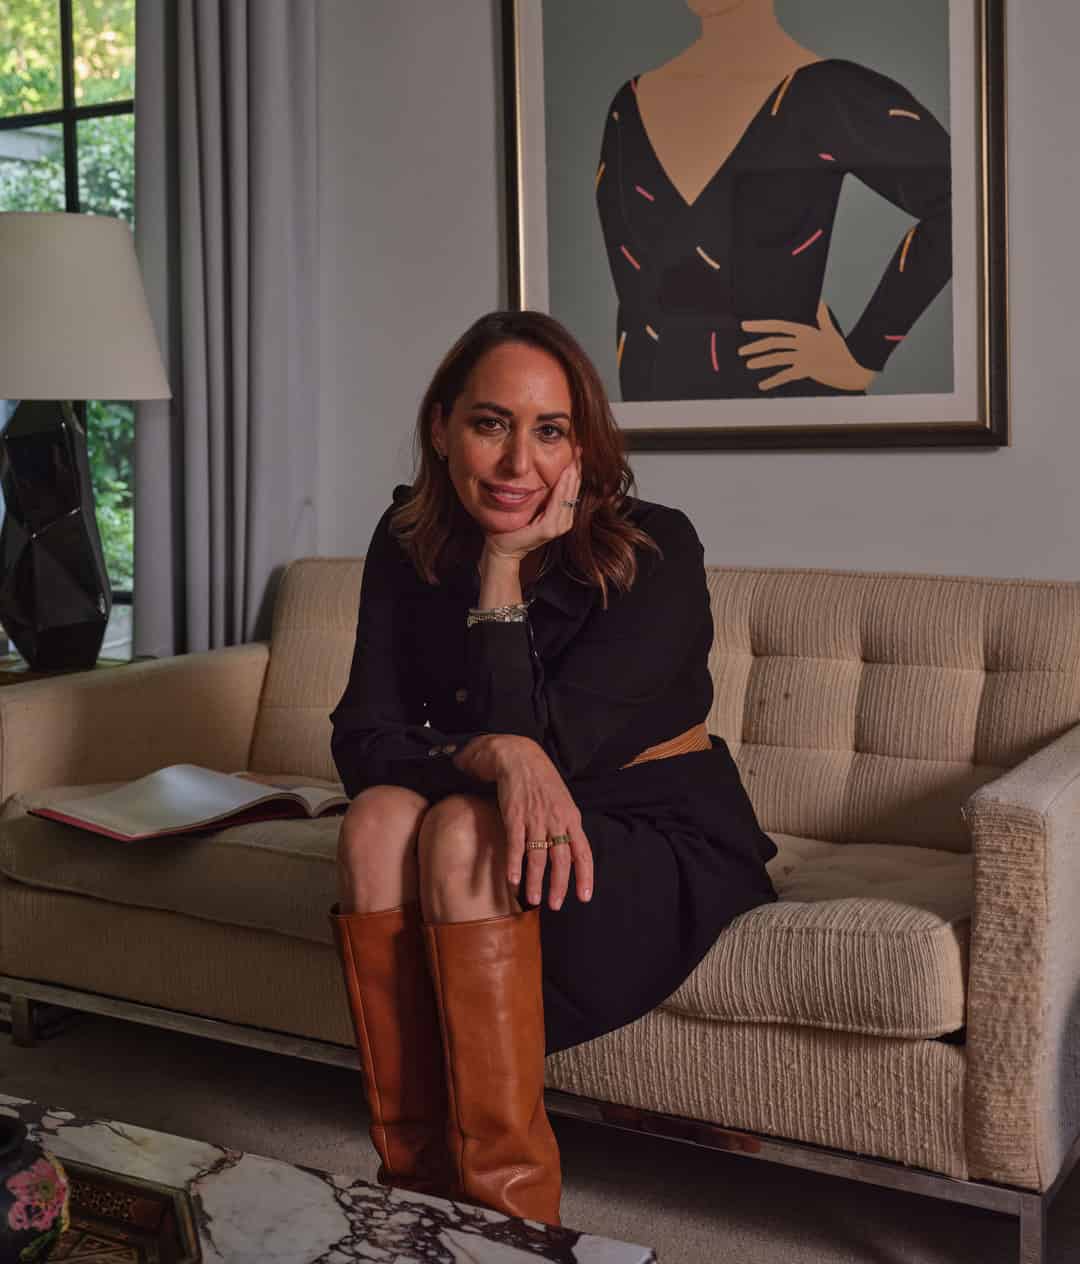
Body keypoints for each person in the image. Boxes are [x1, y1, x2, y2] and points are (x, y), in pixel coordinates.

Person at [328, 309, 777, 1226]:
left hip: (655, 833)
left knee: (460, 830)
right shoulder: (406, 538)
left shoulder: (655, 549)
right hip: (505, 811)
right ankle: (416, 1186)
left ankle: (511, 1214)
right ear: (442, 428)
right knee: (375, 820)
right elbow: (362, 737)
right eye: (491, 424)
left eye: (549, 431)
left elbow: (556, 749)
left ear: (582, 447)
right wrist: (492, 751)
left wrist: (501, 573)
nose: (515, 463)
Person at [595, 0, 951, 400]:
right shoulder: (628, 105)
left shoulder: (829, 93)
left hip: (795, 413)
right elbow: (636, 303)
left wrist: (863, 355)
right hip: (661, 420)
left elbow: (966, 200)